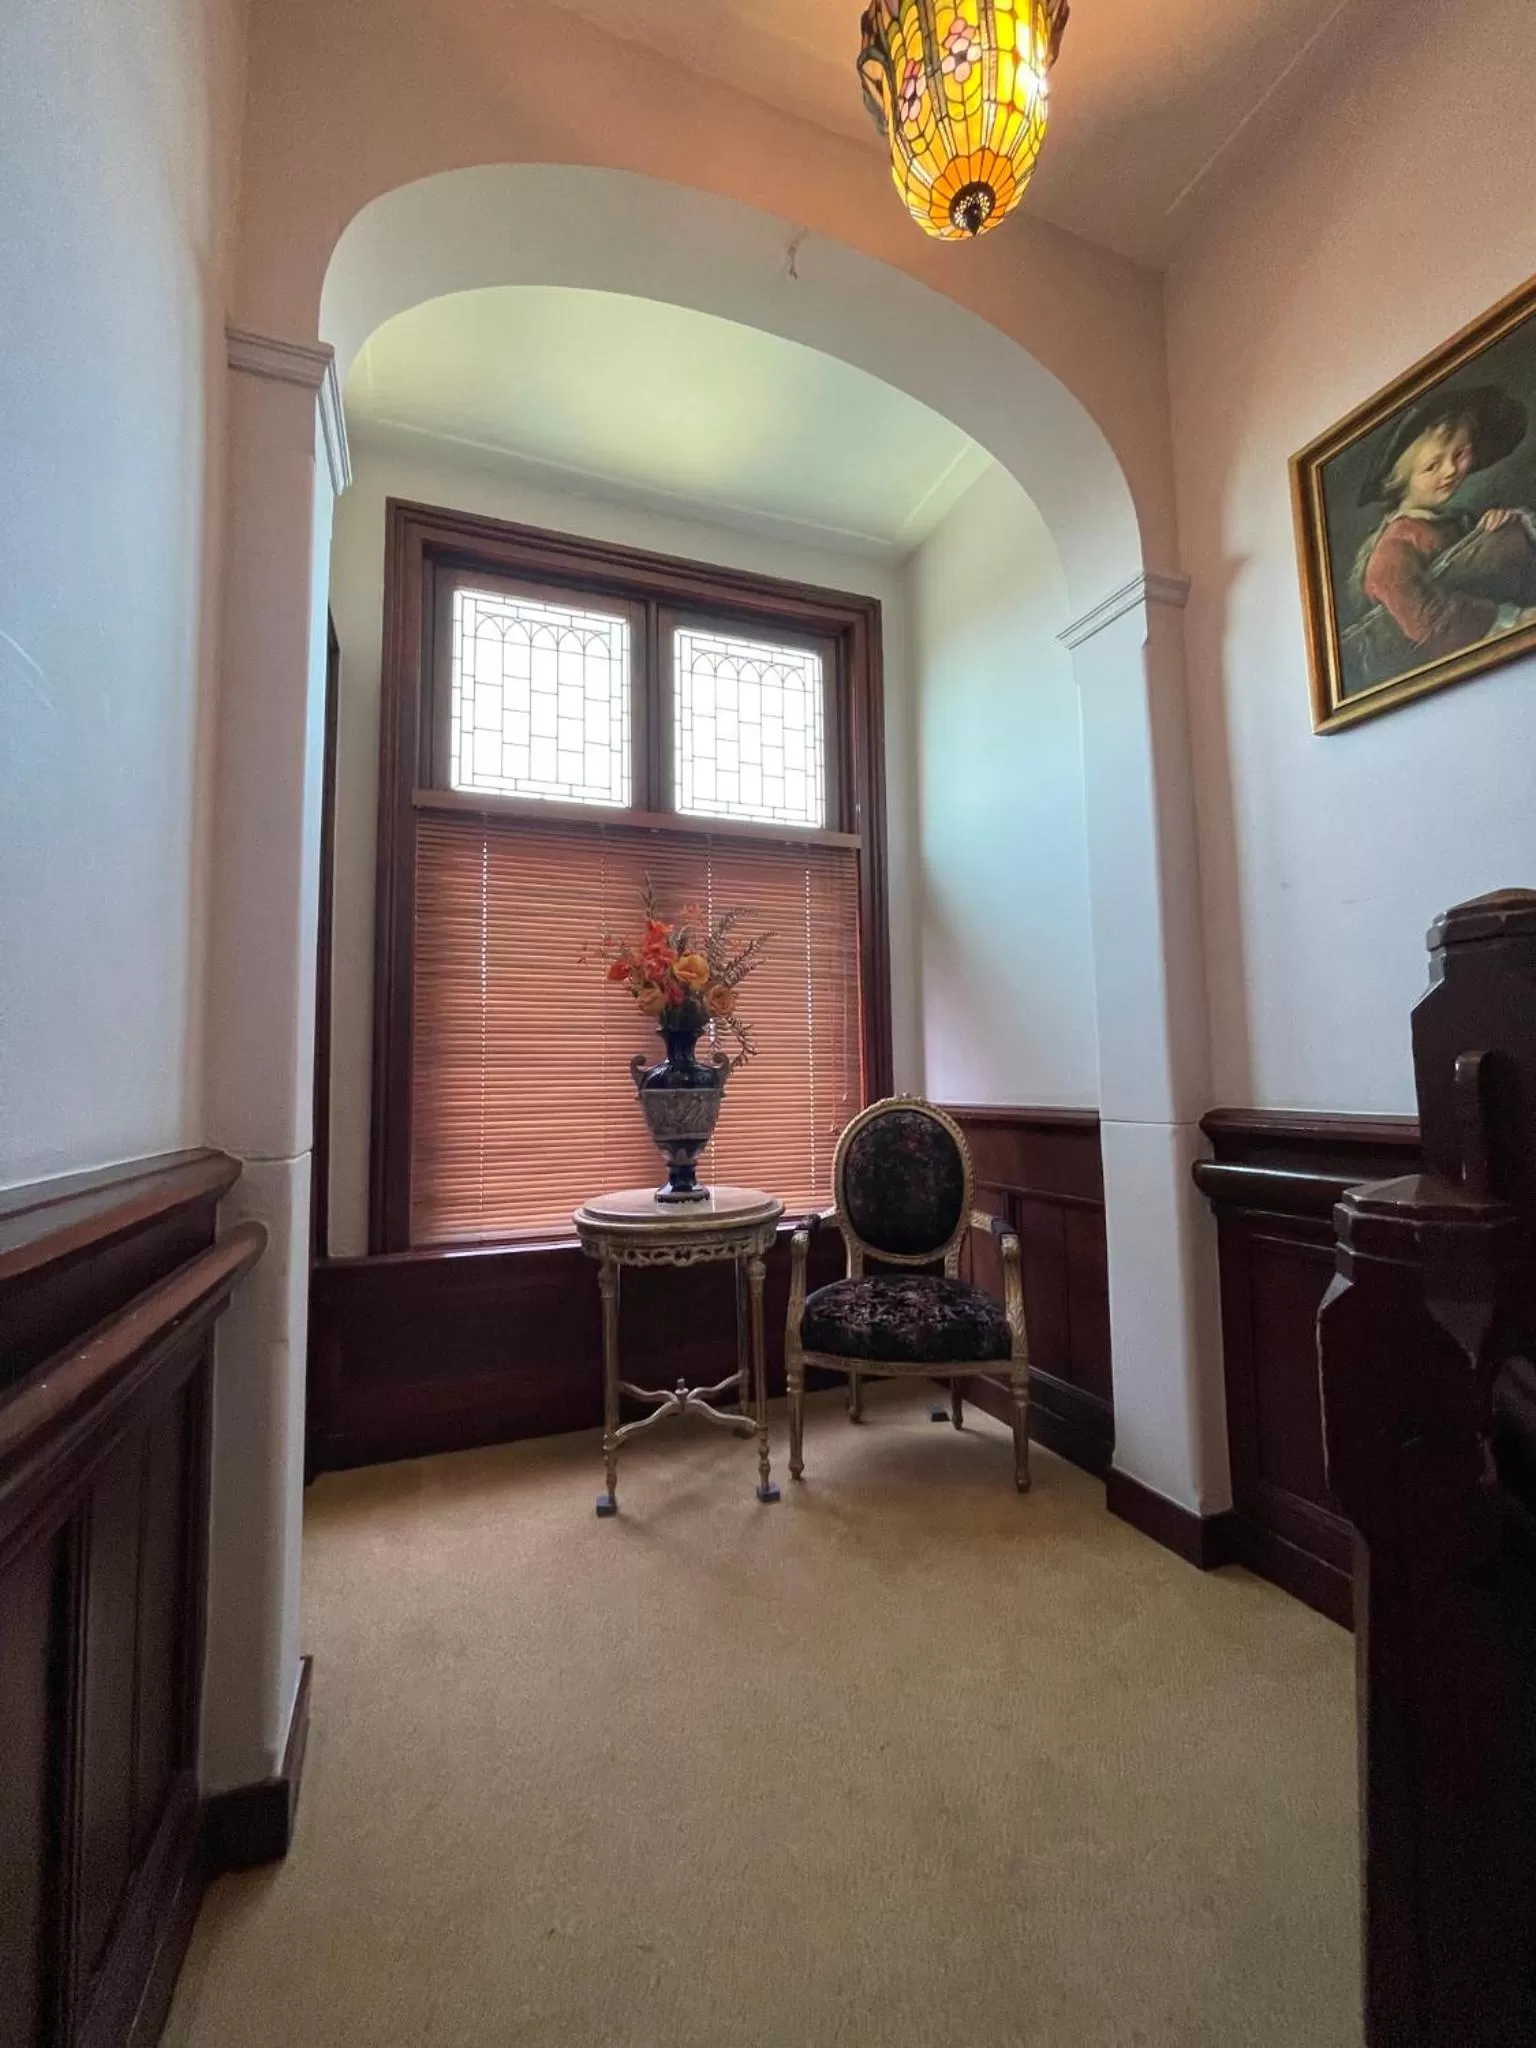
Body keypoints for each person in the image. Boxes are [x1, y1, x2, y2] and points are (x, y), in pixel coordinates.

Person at [1350, 384, 1536, 672]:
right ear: (1401, 479)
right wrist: (1507, 620)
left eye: (1460, 454)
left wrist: (1496, 527)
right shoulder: (1396, 542)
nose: (1450, 470)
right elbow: (1425, 615)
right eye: (1432, 466)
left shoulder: (1455, 521)